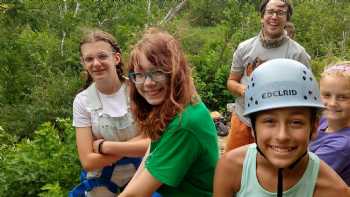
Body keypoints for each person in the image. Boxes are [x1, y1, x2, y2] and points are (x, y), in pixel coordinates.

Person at [214, 58, 350, 197]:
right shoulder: (231, 167)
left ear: (314, 127)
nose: (282, 136)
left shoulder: (333, 190)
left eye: (296, 122)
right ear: (253, 128)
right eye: (269, 121)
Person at [118, 28, 219, 197]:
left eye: (157, 72)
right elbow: (151, 154)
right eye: (140, 75)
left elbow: (136, 195)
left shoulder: (185, 123)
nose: (148, 83)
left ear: (175, 72)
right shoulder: (176, 106)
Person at [70, 29, 149, 197]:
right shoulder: (82, 101)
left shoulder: (137, 89)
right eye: (89, 59)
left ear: (116, 58)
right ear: (83, 63)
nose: (96, 63)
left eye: (102, 56)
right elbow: (88, 161)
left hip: (142, 170)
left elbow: (150, 144)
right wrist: (134, 146)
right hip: (101, 176)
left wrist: (103, 147)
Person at [225, 0, 311, 151]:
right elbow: (232, 81)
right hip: (243, 120)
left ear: (287, 19)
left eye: (281, 13)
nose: (274, 16)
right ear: (262, 16)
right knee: (233, 166)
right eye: (270, 12)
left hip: (277, 129)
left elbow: (307, 95)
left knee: (267, 172)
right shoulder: (245, 48)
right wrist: (245, 90)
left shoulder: (298, 53)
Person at [310, 61, 350, 185]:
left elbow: (304, 175)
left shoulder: (342, 145)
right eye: (326, 95)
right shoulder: (324, 120)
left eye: (342, 97)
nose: (332, 103)